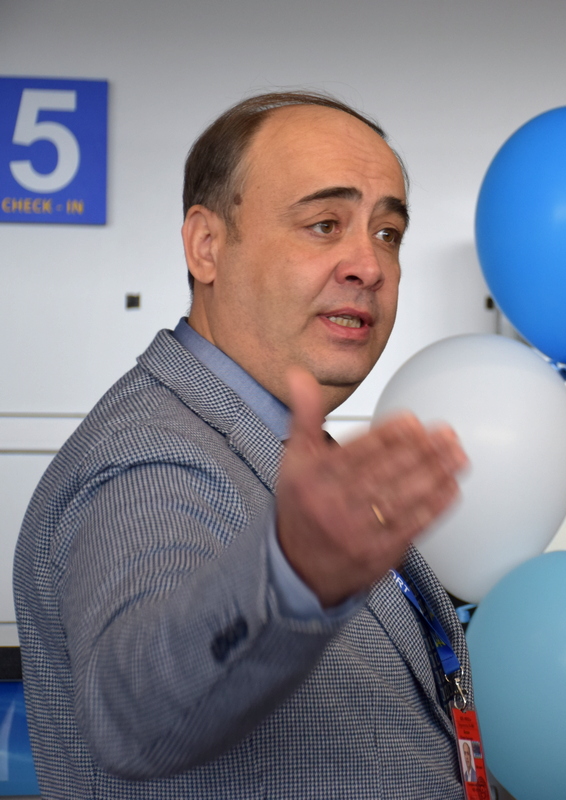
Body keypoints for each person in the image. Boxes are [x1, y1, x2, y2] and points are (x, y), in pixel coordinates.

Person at [14, 91, 475, 799]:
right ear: (207, 246)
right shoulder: (149, 455)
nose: (370, 265)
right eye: (324, 224)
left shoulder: (282, 442)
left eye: (388, 233)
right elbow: (135, 713)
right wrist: (290, 576)